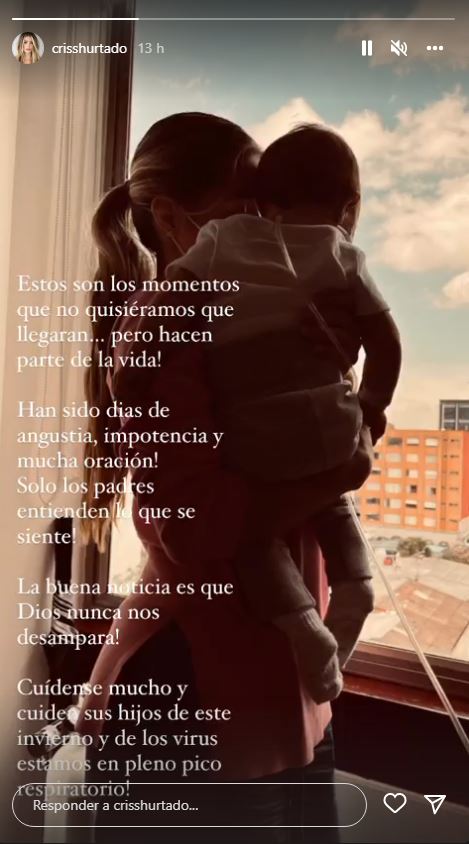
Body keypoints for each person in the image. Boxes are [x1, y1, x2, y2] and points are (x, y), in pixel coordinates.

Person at [79, 112, 373, 842]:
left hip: (285, 694)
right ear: (172, 220)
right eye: (243, 213)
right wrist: (338, 468)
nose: (268, 234)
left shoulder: (254, 321)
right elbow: (198, 523)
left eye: (269, 214)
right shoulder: (165, 328)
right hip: (193, 696)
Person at [164, 123, 402, 704]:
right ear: (350, 207)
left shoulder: (220, 244)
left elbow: (177, 289)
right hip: (336, 432)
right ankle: (357, 587)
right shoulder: (342, 254)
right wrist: (369, 410)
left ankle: (305, 622)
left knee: (257, 538)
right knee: (327, 501)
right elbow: (388, 342)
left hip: (261, 439)